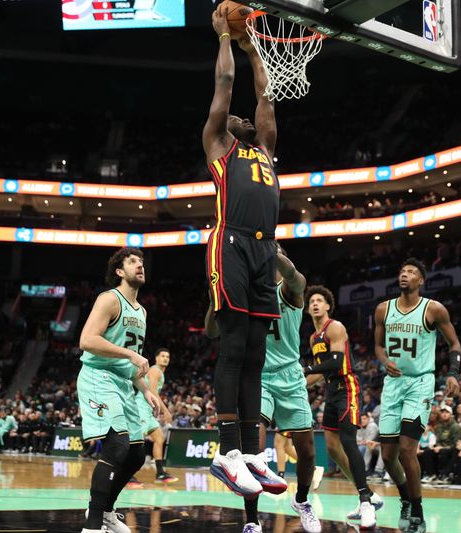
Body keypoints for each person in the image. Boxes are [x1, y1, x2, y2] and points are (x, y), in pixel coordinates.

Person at [203, 4, 282, 503]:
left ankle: (252, 450)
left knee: (257, 354)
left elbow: (266, 95)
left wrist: (257, 48)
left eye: (242, 118)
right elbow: (225, 89)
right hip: (230, 242)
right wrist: (225, 39)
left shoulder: (267, 148)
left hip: (264, 249)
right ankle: (227, 450)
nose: (238, 117)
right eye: (233, 119)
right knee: (233, 348)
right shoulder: (219, 144)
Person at [205, 248, 316, 532]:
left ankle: (302, 500)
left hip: (290, 374)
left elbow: (295, 276)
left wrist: (271, 249)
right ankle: (252, 521)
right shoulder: (245, 295)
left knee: (307, 451)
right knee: (253, 448)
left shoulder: (289, 291)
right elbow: (211, 332)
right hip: (258, 376)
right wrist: (214, 300)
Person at [77, 248, 163, 533]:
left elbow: (133, 359)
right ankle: (91, 526)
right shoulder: (109, 299)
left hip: (125, 383)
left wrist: (146, 389)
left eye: (141, 261)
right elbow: (87, 340)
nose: (140, 265)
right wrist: (129, 356)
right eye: (132, 262)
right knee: (117, 445)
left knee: (137, 454)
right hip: (98, 377)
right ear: (119, 271)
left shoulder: (142, 312)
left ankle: (106, 512)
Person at [374, 258, 461, 533]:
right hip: (393, 384)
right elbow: (377, 346)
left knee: (408, 449)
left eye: (411, 272)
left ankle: (418, 512)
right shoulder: (383, 310)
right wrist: (383, 360)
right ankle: (405, 501)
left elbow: (454, 343)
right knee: (388, 456)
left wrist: (453, 373)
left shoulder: (433, 309)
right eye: (401, 271)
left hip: (420, 383)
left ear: (421, 280)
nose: (405, 274)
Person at [305, 285, 379, 529]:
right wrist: (298, 386)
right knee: (332, 448)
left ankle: (366, 502)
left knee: (348, 442)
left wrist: (306, 369)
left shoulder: (334, 327)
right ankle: (366, 492)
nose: (315, 304)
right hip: (331, 391)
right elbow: (319, 372)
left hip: (348, 387)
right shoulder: (313, 338)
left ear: (328, 306)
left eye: (319, 300)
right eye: (311, 301)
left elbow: (335, 362)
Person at [134, 347, 178, 483]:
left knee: (159, 438)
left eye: (168, 357)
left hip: (147, 409)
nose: (165, 358)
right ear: (156, 358)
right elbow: (152, 391)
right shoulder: (155, 371)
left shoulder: (160, 373)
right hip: (140, 408)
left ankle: (160, 473)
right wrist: (165, 410)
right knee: (136, 441)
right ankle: (127, 474)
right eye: (163, 356)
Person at [423, 405, 461, 483]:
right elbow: (437, 440)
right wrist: (435, 446)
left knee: (444, 452)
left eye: (447, 412)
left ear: (451, 414)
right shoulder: (439, 426)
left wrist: (442, 447)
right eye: (443, 412)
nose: (444, 414)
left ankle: (445, 475)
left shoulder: (456, 426)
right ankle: (432, 475)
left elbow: (455, 443)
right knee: (427, 451)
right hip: (440, 448)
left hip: (452, 449)